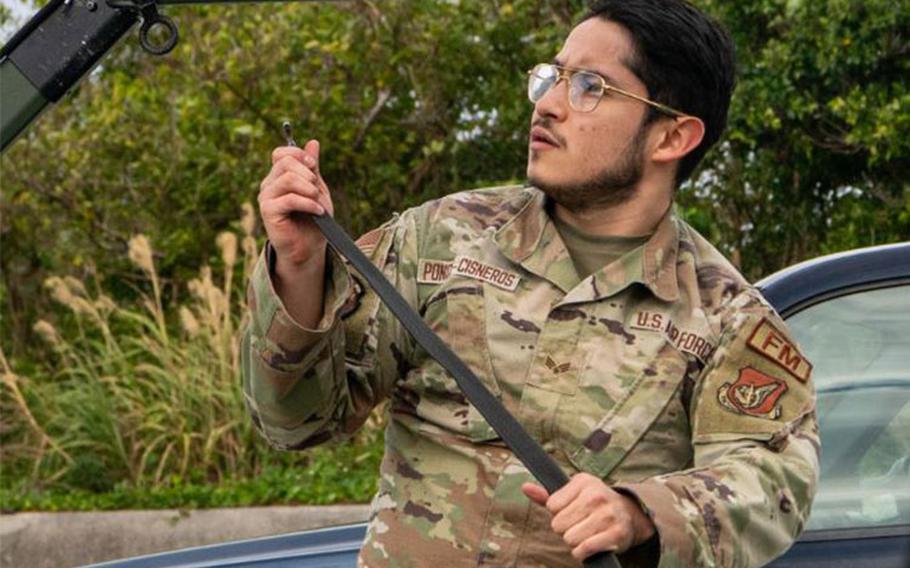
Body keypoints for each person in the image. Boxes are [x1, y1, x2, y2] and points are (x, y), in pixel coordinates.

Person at [242, 1, 820, 566]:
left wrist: (639, 513)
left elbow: (771, 482)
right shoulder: (439, 240)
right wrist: (297, 269)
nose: (548, 105)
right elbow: (296, 423)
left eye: (589, 86)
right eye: (551, 78)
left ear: (671, 137)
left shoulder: (725, 317)